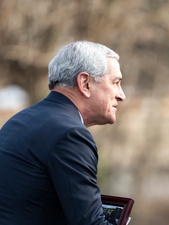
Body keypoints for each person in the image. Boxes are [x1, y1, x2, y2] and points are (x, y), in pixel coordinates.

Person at [0, 41, 126, 225]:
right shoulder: (71, 135)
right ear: (85, 83)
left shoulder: (20, 120)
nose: (121, 95)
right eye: (115, 83)